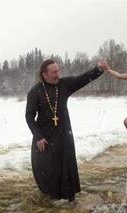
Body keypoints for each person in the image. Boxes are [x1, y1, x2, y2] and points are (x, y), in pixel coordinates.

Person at [25, 59, 109, 201]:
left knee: (66, 165)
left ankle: (68, 197)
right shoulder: (35, 91)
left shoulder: (64, 85)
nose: (58, 74)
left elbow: (82, 79)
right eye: (54, 72)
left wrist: (98, 70)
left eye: (58, 71)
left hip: (64, 135)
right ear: (44, 74)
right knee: (47, 168)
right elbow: (29, 115)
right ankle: (50, 197)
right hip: (44, 136)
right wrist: (38, 136)